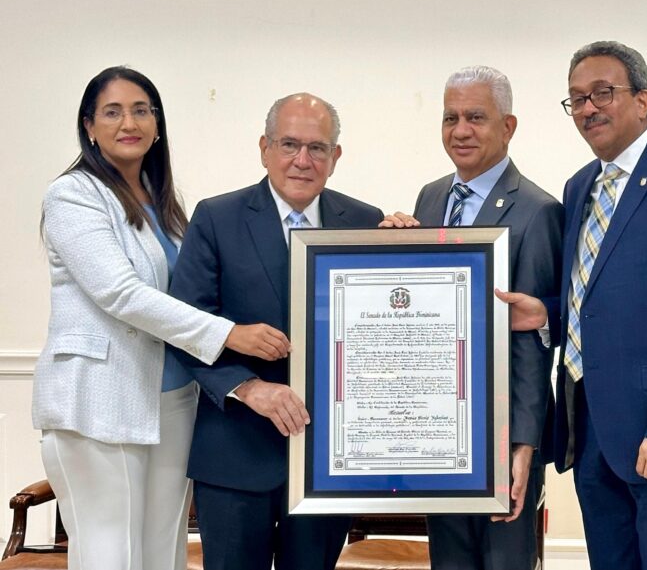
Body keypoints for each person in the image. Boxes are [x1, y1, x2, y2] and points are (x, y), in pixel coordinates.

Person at [32, 66, 290, 570]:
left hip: (171, 403)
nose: (129, 122)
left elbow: (195, 292)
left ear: (157, 123)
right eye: (112, 111)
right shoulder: (73, 195)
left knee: (163, 554)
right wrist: (230, 335)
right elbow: (120, 293)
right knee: (111, 555)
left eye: (141, 110)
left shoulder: (165, 204)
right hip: (100, 402)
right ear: (88, 125)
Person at [497, 41, 647, 570]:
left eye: (602, 93)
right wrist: (546, 313)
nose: (588, 108)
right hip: (591, 434)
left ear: (643, 100)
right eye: (576, 99)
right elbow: (598, 299)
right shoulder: (580, 185)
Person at [167, 93, 384, 570]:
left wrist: (409, 244)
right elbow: (183, 323)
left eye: (318, 148)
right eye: (289, 144)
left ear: (336, 157)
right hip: (235, 454)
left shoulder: (368, 222)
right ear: (264, 148)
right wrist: (246, 387)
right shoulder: (216, 218)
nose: (302, 160)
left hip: (328, 462)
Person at [381, 65, 563, 570]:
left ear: (508, 127)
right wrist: (387, 246)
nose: (460, 130)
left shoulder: (537, 211)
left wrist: (523, 446)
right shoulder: (430, 197)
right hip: (439, 431)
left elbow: (534, 340)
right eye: (450, 118)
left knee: (505, 561)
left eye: (476, 117)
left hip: (501, 435)